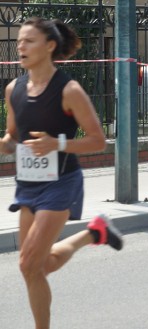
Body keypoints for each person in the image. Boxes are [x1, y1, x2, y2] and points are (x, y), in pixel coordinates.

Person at [0, 18, 124, 329]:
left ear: (49, 46)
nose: (21, 46)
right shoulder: (13, 89)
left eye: (29, 41)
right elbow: (12, 138)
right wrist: (5, 144)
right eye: (19, 40)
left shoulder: (69, 90)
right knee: (41, 265)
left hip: (62, 183)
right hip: (28, 185)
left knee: (28, 265)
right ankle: (94, 233)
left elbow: (98, 140)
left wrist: (57, 143)